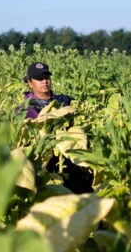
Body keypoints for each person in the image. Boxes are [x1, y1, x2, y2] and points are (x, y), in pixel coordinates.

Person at [19, 61, 93, 192]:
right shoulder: (23, 110)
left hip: (70, 160)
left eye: (46, 77)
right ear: (30, 83)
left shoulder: (65, 101)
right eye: (39, 79)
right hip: (44, 166)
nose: (44, 81)